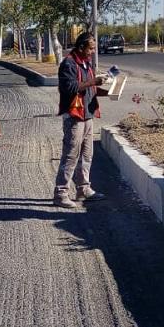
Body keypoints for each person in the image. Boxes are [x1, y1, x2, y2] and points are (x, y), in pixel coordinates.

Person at [54, 32, 107, 209]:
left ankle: (83, 189)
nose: (93, 51)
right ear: (82, 46)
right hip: (74, 117)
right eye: (91, 48)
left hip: (88, 115)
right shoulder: (68, 64)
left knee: (87, 154)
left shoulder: (87, 63)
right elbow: (69, 88)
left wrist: (107, 92)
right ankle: (61, 193)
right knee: (70, 155)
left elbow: (88, 88)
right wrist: (93, 81)